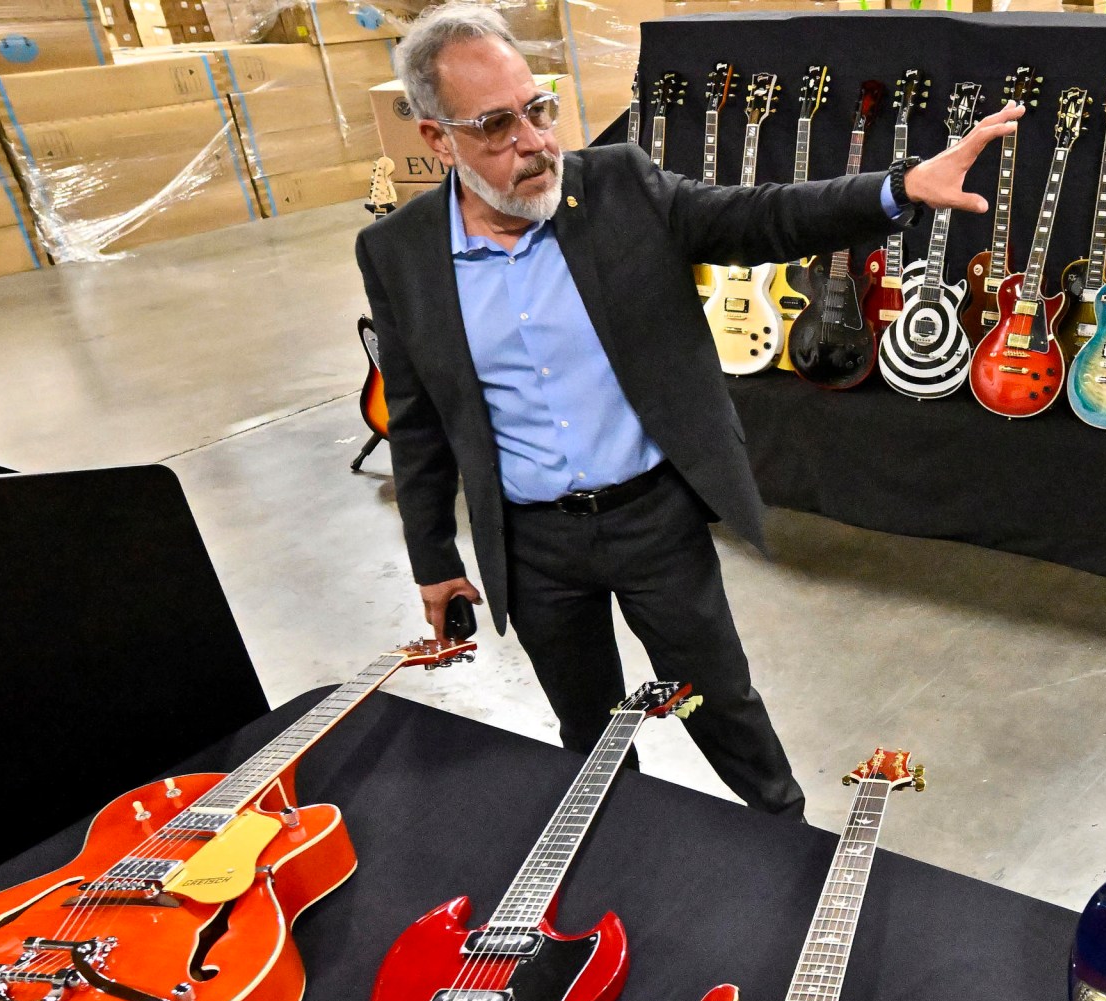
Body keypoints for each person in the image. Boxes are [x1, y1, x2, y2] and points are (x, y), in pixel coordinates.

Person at [359, 3, 1018, 817]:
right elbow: (416, 415)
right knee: (590, 733)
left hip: (651, 522)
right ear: (436, 139)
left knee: (723, 705)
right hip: (532, 546)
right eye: (497, 125)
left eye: (539, 109)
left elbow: (760, 215)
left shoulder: (617, 186)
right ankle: (616, 852)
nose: (533, 142)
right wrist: (430, 554)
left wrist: (896, 189)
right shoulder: (397, 252)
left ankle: (788, 840)